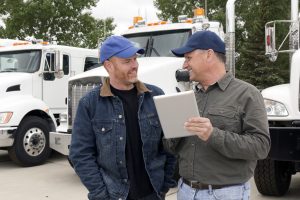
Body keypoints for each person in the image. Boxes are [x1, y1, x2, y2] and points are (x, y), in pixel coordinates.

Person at [164, 30, 271, 200]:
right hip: (185, 191)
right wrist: (174, 130)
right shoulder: (189, 97)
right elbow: (170, 148)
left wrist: (213, 134)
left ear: (209, 55)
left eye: (188, 58)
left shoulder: (247, 94)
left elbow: (261, 146)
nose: (184, 65)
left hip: (225, 194)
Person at [69, 35, 176, 200]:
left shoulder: (155, 96)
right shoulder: (90, 103)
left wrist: (165, 184)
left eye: (135, 59)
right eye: (127, 61)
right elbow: (81, 154)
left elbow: (170, 146)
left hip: (153, 194)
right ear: (108, 66)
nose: (134, 65)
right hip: (113, 195)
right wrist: (100, 193)